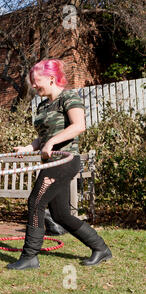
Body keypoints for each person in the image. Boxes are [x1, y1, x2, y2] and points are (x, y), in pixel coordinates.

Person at [7, 59, 112, 270]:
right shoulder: (44, 104)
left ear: (52, 79)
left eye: (36, 81)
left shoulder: (69, 98)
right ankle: (101, 248)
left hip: (65, 161)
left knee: (35, 203)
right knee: (61, 215)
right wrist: (29, 148)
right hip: (50, 163)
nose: (34, 86)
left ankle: (29, 257)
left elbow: (79, 126)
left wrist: (53, 142)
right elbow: (44, 137)